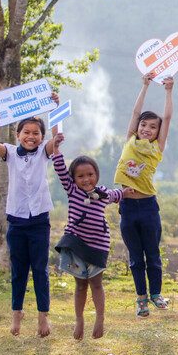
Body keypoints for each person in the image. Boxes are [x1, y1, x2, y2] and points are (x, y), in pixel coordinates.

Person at [0, 94, 59, 337]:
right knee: (19, 271)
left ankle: (42, 319)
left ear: (41, 136)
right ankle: (16, 315)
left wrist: (54, 108)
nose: (30, 136)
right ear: (18, 135)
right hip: (16, 220)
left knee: (40, 269)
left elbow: (56, 140)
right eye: (26, 132)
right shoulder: (10, 153)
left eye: (36, 133)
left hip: (39, 221)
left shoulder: (43, 153)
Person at [52, 134, 128, 339]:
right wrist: (56, 147)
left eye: (90, 174)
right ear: (74, 179)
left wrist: (131, 188)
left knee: (96, 283)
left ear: (97, 174)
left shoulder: (103, 193)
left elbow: (119, 194)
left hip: (98, 245)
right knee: (80, 285)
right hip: (76, 244)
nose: (86, 179)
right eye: (80, 176)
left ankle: (100, 319)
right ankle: (79, 320)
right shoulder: (72, 190)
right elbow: (59, 168)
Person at [114, 74, 174, 317]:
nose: (147, 129)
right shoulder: (130, 139)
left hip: (148, 207)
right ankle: (141, 298)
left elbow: (168, 117)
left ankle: (156, 294)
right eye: (144, 125)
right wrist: (145, 85)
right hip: (128, 207)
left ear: (158, 132)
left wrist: (168, 91)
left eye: (152, 127)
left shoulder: (157, 148)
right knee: (135, 258)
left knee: (153, 254)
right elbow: (134, 112)